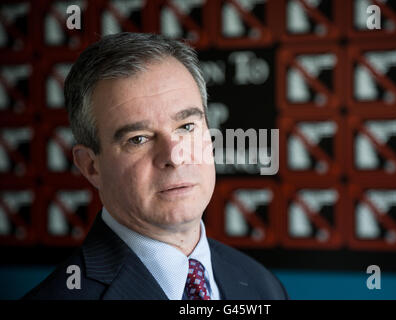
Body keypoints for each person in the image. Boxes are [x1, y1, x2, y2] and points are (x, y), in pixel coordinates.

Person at [23, 32, 288, 300]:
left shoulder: (262, 285)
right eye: (138, 139)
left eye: (186, 126)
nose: (174, 156)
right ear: (91, 166)